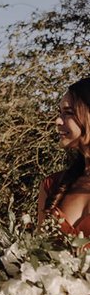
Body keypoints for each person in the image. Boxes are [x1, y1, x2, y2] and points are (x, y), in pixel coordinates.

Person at [38, 77, 90, 236]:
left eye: (68, 113)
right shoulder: (51, 185)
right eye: (60, 113)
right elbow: (36, 254)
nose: (58, 121)